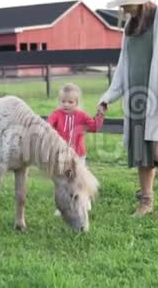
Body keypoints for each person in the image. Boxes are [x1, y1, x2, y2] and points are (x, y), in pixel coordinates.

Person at [98, 0, 158, 222]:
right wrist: (109, 96)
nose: (125, 10)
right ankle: (145, 202)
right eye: (123, 6)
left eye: (127, 5)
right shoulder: (130, 27)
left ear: (139, 1)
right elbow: (124, 64)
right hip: (135, 98)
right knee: (142, 153)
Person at [48, 83, 104, 216]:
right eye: (63, 101)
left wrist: (100, 115)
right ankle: (63, 206)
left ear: (77, 102)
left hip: (78, 154)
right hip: (61, 155)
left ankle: (84, 201)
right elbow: (48, 125)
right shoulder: (57, 114)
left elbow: (94, 127)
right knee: (63, 180)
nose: (66, 104)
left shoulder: (81, 115)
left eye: (70, 102)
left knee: (78, 179)